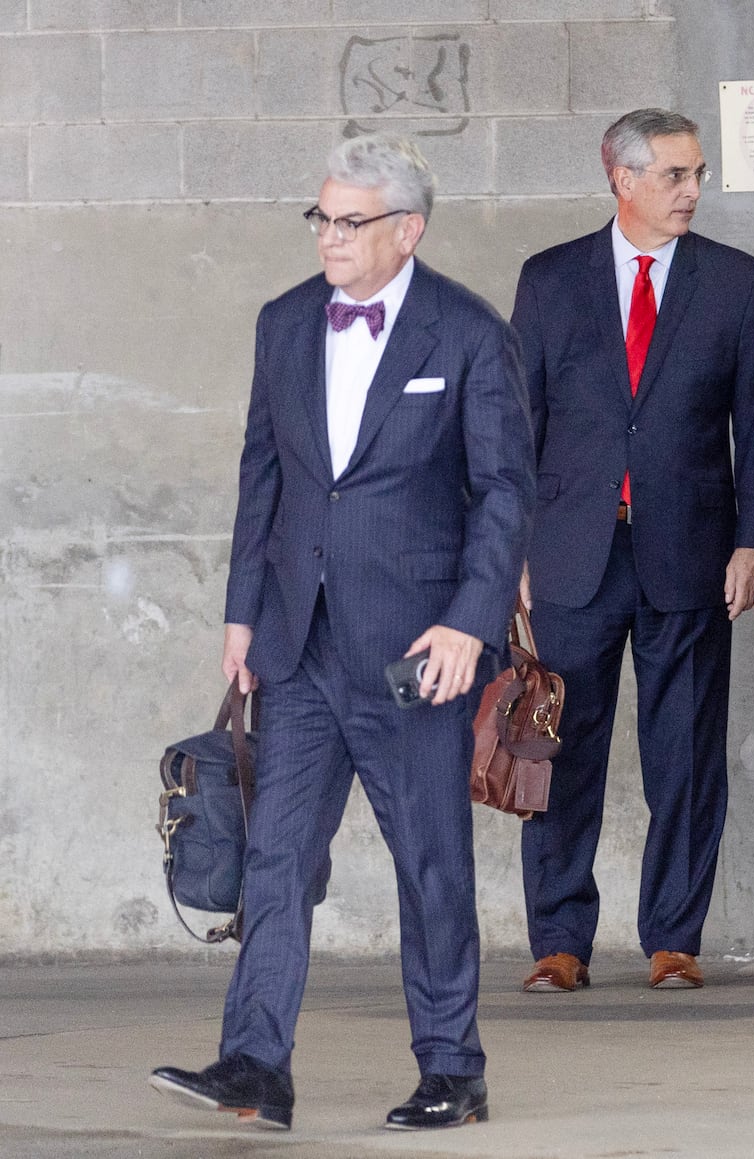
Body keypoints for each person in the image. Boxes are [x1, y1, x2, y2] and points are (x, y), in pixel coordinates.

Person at [150, 134, 534, 1131]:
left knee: (431, 862)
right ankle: (254, 1064)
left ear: (408, 230)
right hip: (300, 644)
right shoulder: (284, 323)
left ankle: (453, 1066)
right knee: (275, 856)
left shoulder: (466, 332)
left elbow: (504, 495)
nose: (329, 235)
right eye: (320, 216)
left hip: (417, 653)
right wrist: (241, 609)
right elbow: (261, 475)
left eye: (349, 220)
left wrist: (469, 621)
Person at [509, 108, 754, 993]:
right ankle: (560, 940)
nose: (693, 191)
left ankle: (674, 936)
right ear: (620, 177)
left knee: (686, 752)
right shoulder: (549, 280)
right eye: (675, 175)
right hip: (571, 555)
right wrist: (509, 550)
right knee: (558, 751)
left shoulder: (740, 284)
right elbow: (519, 428)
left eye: (698, 174)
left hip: (691, 552)